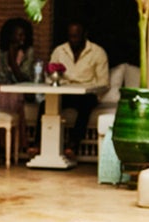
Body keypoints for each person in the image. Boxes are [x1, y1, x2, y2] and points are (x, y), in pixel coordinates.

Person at [49, 22, 109, 158]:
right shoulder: (60, 51)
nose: (73, 40)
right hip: (65, 92)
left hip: (87, 95)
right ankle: (38, 145)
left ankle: (73, 145)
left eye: (76, 36)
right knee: (45, 106)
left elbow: (103, 83)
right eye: (70, 36)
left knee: (86, 106)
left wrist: (88, 89)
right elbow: (50, 76)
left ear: (84, 35)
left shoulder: (97, 52)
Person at [0, 18, 36, 115]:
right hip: (4, 90)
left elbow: (24, 79)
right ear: (10, 36)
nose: (23, 38)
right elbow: (1, 78)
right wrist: (9, 53)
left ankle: (13, 126)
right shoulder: (0, 53)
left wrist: (12, 61)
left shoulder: (28, 52)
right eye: (20, 35)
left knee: (14, 94)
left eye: (25, 35)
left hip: (23, 91)